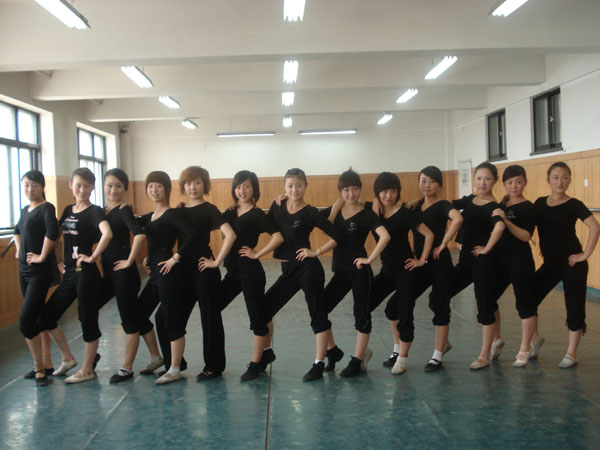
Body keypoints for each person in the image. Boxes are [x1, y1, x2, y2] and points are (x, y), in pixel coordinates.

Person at [263, 168, 340, 382]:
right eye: (289, 186)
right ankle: (333, 351)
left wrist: (316, 252)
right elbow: (264, 225)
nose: (294, 190)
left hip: (308, 269)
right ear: (284, 187)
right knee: (265, 308)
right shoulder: (277, 206)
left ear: (306, 186)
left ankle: (319, 363)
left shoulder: (310, 212)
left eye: (298, 185)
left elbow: (336, 235)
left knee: (318, 314)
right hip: (288, 271)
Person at [40, 167, 113, 383]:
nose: (81, 190)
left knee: (87, 318)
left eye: (86, 186)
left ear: (92, 188)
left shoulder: (94, 211)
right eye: (78, 185)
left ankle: (87, 369)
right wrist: (59, 261)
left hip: (86, 273)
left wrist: (93, 256)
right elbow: (55, 236)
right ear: (70, 185)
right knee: (46, 317)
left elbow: (107, 233)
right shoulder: (67, 210)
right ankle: (67, 358)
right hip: (70, 273)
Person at [321, 169, 390, 378]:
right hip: (340, 272)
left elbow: (385, 236)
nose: (351, 194)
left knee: (361, 315)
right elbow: (320, 223)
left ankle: (358, 359)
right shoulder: (336, 208)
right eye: (346, 190)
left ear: (360, 189)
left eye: (354, 189)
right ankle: (332, 350)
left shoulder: (367, 214)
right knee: (320, 309)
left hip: (360, 272)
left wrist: (370, 259)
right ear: (340, 191)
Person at [532, 162, 599, 368]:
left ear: (569, 180)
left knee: (574, 307)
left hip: (572, 264)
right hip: (550, 264)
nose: (560, 181)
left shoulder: (574, 204)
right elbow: (526, 222)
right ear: (548, 180)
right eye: (556, 177)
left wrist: (584, 255)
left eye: (564, 177)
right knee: (528, 297)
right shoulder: (539, 203)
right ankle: (534, 339)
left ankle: (571, 353)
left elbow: (595, 227)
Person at [99, 168, 163, 383]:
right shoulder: (103, 212)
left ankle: (126, 368)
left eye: (118, 186)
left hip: (124, 275)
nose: (113, 190)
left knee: (129, 320)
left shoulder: (123, 210)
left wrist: (129, 260)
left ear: (125, 188)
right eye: (109, 185)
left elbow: (139, 235)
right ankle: (156, 357)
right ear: (103, 186)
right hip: (109, 273)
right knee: (134, 315)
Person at [368, 172, 434, 375]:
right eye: (384, 192)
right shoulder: (374, 212)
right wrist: (374, 201)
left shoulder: (405, 213)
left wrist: (422, 260)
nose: (388, 196)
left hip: (406, 270)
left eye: (393, 191)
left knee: (404, 312)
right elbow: (345, 202)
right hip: (387, 271)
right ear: (378, 193)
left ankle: (402, 358)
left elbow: (429, 234)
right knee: (372, 305)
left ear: (398, 192)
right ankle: (396, 350)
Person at [220, 170, 284, 381]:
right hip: (232, 272)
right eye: (238, 187)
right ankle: (266, 352)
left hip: (250, 272)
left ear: (254, 189)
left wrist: (257, 254)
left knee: (257, 319)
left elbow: (277, 237)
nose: (242, 191)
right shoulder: (231, 212)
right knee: (214, 305)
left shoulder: (257, 214)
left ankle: (256, 365)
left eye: (247, 186)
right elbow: (210, 222)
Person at [176, 166, 236, 381]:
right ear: (183, 186)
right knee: (168, 316)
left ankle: (214, 366)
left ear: (205, 185)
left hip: (204, 270)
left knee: (210, 318)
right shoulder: (179, 210)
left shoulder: (209, 209)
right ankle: (175, 362)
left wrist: (216, 262)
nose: (193, 187)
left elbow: (230, 234)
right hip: (183, 270)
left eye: (197, 183)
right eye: (189, 183)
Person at [138, 171, 198, 385]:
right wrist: (147, 257)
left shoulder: (172, 214)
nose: (154, 190)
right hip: (154, 274)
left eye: (159, 186)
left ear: (167, 189)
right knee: (139, 314)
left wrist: (175, 257)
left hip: (168, 273)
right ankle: (158, 358)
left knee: (171, 319)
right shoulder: (149, 217)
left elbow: (192, 234)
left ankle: (175, 368)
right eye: (150, 186)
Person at [450, 162, 505, 370]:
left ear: (495, 181)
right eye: (479, 178)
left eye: (487, 179)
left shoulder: (493, 207)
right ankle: (497, 338)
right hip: (466, 258)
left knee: (485, 304)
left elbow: (499, 226)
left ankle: (484, 355)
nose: (482, 183)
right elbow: (446, 204)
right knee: (443, 292)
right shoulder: (470, 199)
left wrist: (487, 248)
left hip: (484, 261)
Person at [410, 166, 463, 372]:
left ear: (439, 185)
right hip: (418, 261)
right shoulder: (415, 206)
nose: (427, 185)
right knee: (403, 300)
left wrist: (444, 243)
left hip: (439, 260)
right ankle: (400, 351)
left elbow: (458, 218)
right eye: (423, 180)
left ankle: (438, 354)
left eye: (432, 181)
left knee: (441, 303)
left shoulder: (443, 205)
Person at [491, 165, 541, 368]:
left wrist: (506, 220)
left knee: (525, 304)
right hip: (500, 260)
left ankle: (525, 348)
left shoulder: (528, 207)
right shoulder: (501, 204)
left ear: (525, 182)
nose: (514, 186)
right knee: (488, 299)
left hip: (520, 261)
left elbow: (526, 236)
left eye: (518, 182)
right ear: (504, 184)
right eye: (510, 182)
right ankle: (497, 339)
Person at [14, 170, 59, 386]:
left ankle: (38, 367)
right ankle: (45, 364)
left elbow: (52, 232)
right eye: (26, 185)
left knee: (26, 321)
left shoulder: (46, 208)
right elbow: (17, 231)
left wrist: (42, 256)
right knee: (38, 317)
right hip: (23, 270)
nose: (29, 189)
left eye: (34, 185)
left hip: (39, 273)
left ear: (42, 187)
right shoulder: (25, 210)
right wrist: (18, 249)